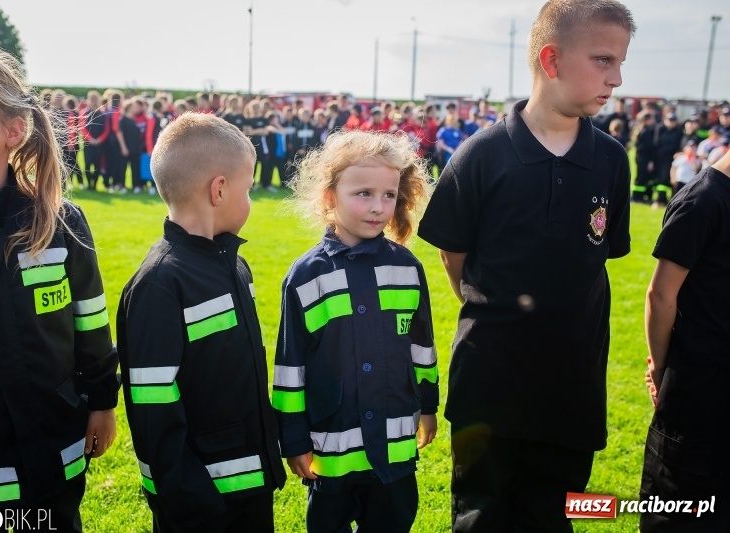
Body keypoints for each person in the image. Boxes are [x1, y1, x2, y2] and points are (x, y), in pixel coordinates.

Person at [417, 1, 635, 531]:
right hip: (491, 378)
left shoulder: (609, 159)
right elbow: (454, 256)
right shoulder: (481, 155)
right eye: (603, 60)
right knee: (480, 513)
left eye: (621, 61)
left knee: (551, 513)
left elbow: (595, 256)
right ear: (551, 60)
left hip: (572, 381)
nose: (619, 78)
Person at [0, 38, 119, 531]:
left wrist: (101, 401)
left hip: (51, 453)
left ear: (14, 129)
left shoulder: (60, 222)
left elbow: (90, 323)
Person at [117, 113, 286, 533]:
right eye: (248, 189)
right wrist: (188, 498)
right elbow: (152, 409)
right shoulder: (160, 284)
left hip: (248, 489)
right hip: (199, 504)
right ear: (220, 189)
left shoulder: (234, 264)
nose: (251, 200)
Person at [274, 130, 439, 533]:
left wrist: (429, 405)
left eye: (388, 195)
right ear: (330, 197)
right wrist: (294, 440)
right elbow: (290, 367)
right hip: (333, 445)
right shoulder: (306, 276)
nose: (378, 206)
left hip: (395, 437)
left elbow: (422, 346)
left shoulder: (407, 268)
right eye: (363, 193)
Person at [639, 148, 730, 532]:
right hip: (698, 390)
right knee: (679, 507)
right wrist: (660, 368)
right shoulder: (704, 198)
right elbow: (661, 295)